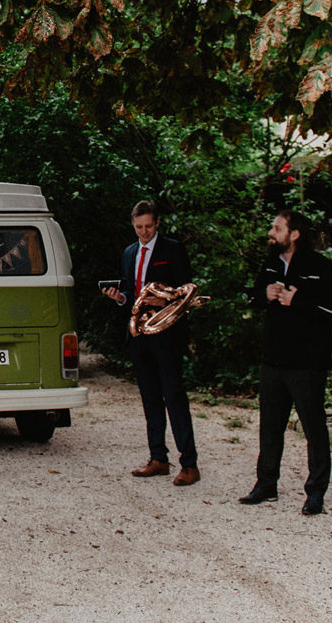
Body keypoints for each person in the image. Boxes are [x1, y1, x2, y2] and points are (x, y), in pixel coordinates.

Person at [239, 209, 332, 516]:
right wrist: (264, 293)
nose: (270, 233)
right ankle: (266, 484)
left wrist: (298, 300)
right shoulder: (270, 264)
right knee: (270, 426)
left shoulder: (321, 267)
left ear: (294, 234)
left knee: (314, 428)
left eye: (277, 228)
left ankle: (315, 492)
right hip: (273, 361)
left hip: (307, 363)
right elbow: (251, 298)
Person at [101, 200, 199, 485]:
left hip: (167, 335)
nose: (143, 232)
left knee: (175, 397)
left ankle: (189, 464)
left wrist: (164, 298)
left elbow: (187, 291)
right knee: (150, 398)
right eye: (138, 227)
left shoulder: (173, 249)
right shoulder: (129, 252)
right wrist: (118, 298)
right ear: (133, 225)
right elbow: (130, 292)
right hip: (139, 335)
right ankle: (158, 458)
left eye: (148, 226)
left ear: (157, 224)